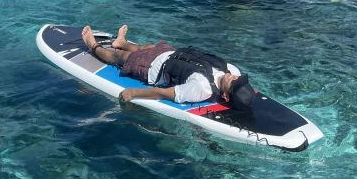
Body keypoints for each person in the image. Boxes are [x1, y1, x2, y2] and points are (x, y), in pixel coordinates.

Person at [81, 25, 256, 110]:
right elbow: (239, 82)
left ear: (225, 95)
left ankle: (92, 45)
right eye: (239, 79)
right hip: (171, 53)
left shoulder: (200, 88)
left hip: (150, 67)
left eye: (235, 83)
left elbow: (165, 93)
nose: (235, 77)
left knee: (118, 57)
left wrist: (133, 93)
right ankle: (122, 42)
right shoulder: (232, 71)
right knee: (148, 46)